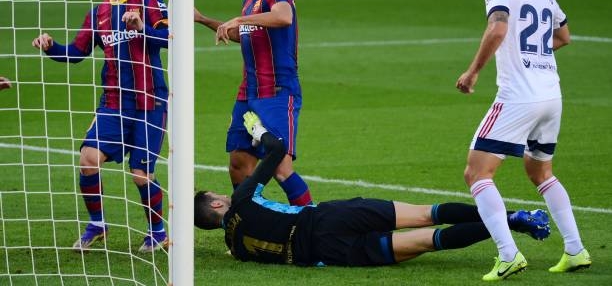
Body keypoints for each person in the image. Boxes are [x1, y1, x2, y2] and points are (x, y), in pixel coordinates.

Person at [194, 111, 551, 267]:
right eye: (218, 196)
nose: (224, 195)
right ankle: (512, 217)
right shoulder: (241, 198)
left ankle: (517, 221)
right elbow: (276, 150)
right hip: (330, 217)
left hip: (332, 253)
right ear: (217, 204)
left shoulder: (237, 249)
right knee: (426, 214)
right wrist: (257, 130)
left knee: (429, 240)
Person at [456, 0, 591, 280]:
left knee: (477, 173)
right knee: (540, 172)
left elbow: (498, 29)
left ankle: (507, 255)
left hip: (519, 96)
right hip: (551, 95)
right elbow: (563, 36)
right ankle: (576, 250)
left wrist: (473, 72)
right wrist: (534, 54)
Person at [32, 0, 169, 253]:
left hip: (150, 101)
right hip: (113, 103)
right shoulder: (98, 13)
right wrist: (51, 46)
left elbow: (171, 37)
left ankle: (157, 231)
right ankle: (97, 224)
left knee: (141, 174)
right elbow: (77, 53)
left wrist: (142, 28)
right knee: (88, 159)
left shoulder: (149, 0)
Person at [194, 0, 312, 206]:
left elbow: (284, 17)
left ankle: (309, 224)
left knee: (280, 168)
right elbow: (240, 34)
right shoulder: (250, 1)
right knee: (238, 162)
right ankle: (245, 224)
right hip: (248, 93)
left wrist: (240, 20)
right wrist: (203, 20)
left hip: (277, 91)